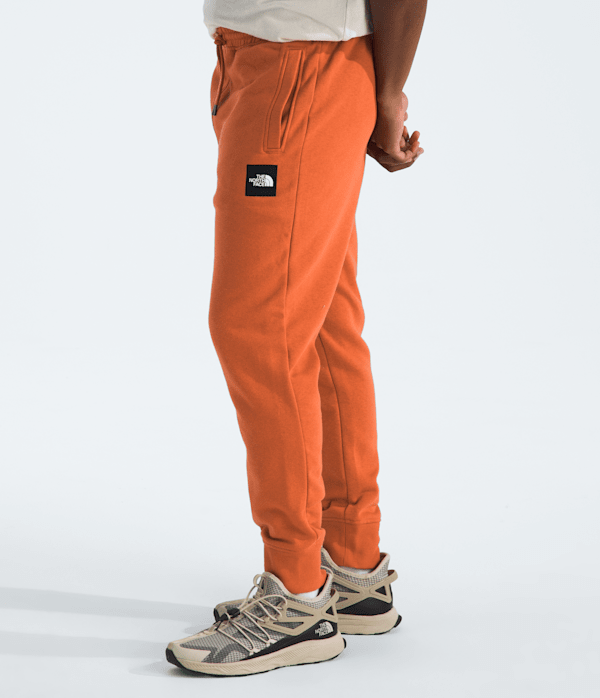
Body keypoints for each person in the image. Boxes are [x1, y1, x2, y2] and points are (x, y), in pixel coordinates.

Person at [166, 0, 427, 676]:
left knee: (259, 326)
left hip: (299, 70)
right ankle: (352, 564)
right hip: (269, 64)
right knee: (322, 317)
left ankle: (297, 593)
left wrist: (388, 97)